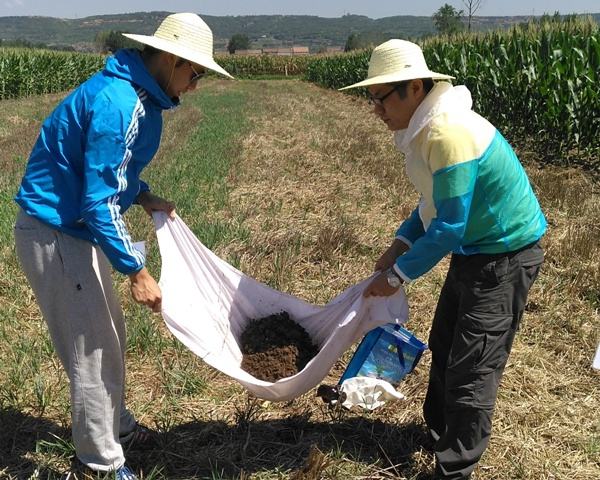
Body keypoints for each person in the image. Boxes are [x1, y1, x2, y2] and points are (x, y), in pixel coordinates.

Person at [13, 13, 232, 479]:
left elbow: (114, 173)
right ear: (172, 60)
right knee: (91, 348)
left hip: (70, 229)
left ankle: (117, 426)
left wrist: (145, 194)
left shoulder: (136, 96)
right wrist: (136, 270)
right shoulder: (120, 102)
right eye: (196, 73)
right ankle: (99, 462)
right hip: (55, 233)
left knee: (108, 336)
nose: (195, 85)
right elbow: (98, 200)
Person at [342, 39, 546, 479]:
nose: (376, 110)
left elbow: (450, 224)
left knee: (473, 364)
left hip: (504, 254)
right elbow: (431, 202)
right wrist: (400, 241)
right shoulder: (426, 128)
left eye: (380, 99)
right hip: (475, 249)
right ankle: (437, 432)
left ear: (414, 88)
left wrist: (396, 275)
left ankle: (454, 468)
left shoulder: (448, 132)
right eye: (371, 99)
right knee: (446, 344)